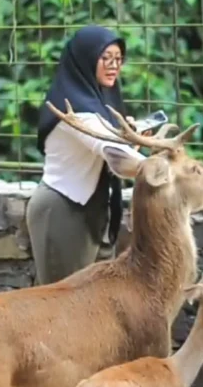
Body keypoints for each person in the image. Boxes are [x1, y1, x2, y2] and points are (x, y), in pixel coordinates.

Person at [27, 25, 147, 286]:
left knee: (94, 302)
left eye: (118, 59)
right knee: (62, 305)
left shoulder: (99, 103)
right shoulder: (74, 110)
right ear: (87, 59)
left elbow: (113, 152)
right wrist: (157, 170)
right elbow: (112, 151)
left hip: (95, 209)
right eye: (106, 58)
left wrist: (130, 138)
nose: (114, 65)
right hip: (62, 210)